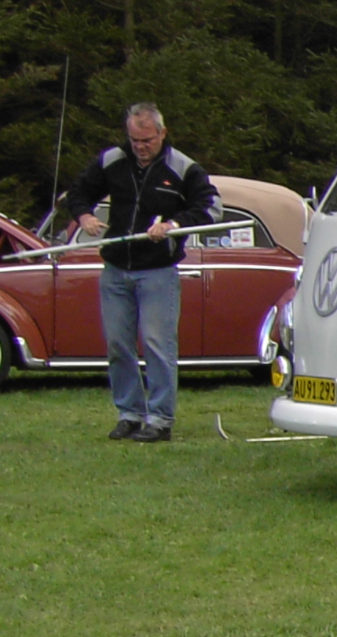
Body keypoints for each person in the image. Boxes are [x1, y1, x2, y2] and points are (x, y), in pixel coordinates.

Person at [52, 103, 218, 442]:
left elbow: (211, 208)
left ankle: (160, 419)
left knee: (158, 344)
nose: (140, 147)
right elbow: (78, 192)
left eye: (147, 140)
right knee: (118, 343)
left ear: (162, 133)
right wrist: (84, 215)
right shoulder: (113, 160)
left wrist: (173, 225)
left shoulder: (183, 168)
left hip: (158, 271)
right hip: (116, 268)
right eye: (134, 140)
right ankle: (129, 413)